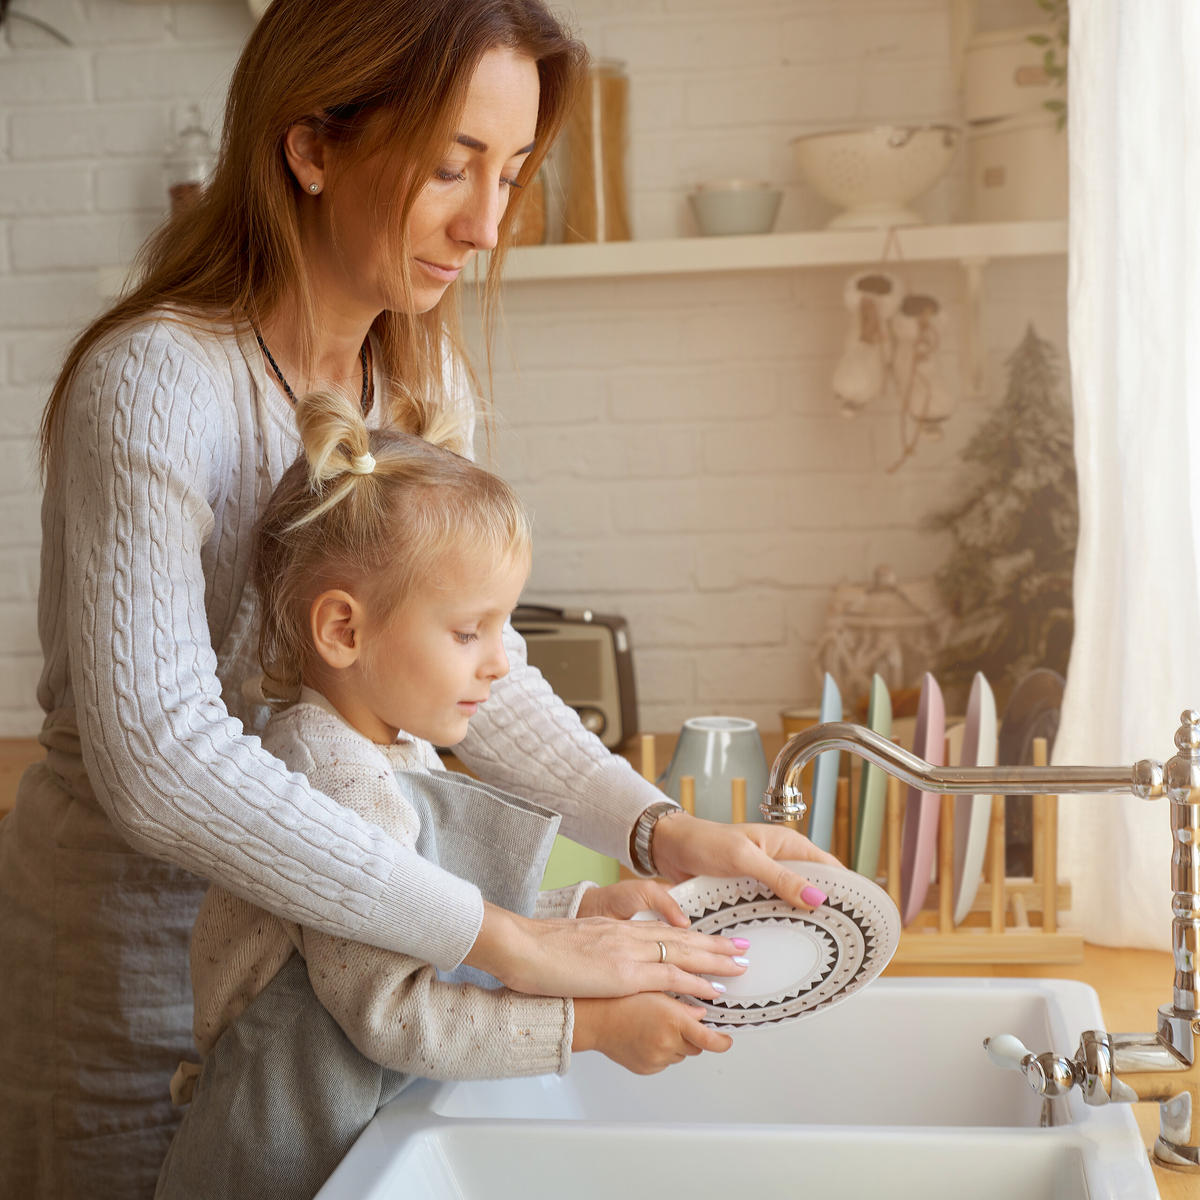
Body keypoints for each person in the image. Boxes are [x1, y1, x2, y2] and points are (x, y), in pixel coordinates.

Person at [0, 1, 835, 1195]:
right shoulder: (155, 383)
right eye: (452, 166)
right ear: (311, 145)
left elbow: (467, 661)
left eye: (510, 171)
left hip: (344, 981)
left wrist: (654, 828)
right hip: (130, 989)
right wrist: (507, 941)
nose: (488, 225)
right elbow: (163, 759)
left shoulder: (418, 375)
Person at [156, 390, 744, 1199]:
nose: (500, 662)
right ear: (344, 631)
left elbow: (426, 921)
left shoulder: (391, 745)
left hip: (349, 1146)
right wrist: (593, 1027)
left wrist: (576, 910)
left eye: (502, 628)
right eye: (470, 632)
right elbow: (399, 1014)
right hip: (278, 1166)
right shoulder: (336, 777)